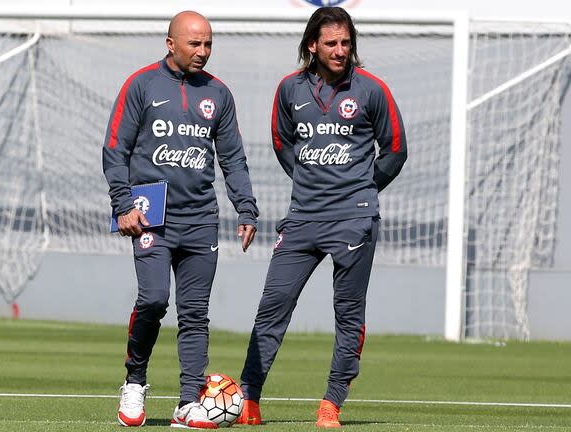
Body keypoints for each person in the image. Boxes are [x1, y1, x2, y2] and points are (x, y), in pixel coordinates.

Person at [236, 7, 407, 429]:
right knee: (272, 305)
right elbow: (281, 141)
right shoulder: (289, 90)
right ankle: (249, 398)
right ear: (312, 44)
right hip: (302, 218)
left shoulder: (371, 91)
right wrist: (310, 181)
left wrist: (361, 190)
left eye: (346, 43)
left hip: (354, 220)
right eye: (331, 43)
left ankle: (332, 402)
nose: (340, 51)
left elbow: (396, 149)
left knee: (348, 314)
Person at [102, 10, 259, 429]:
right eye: (195, 43)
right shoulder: (141, 85)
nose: (203, 51)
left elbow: (233, 159)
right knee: (153, 299)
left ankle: (189, 401)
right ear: (170, 43)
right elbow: (115, 150)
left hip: (201, 220)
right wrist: (122, 205)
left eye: (208, 43)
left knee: (194, 313)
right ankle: (135, 380)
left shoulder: (219, 95)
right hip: (150, 218)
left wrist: (246, 208)